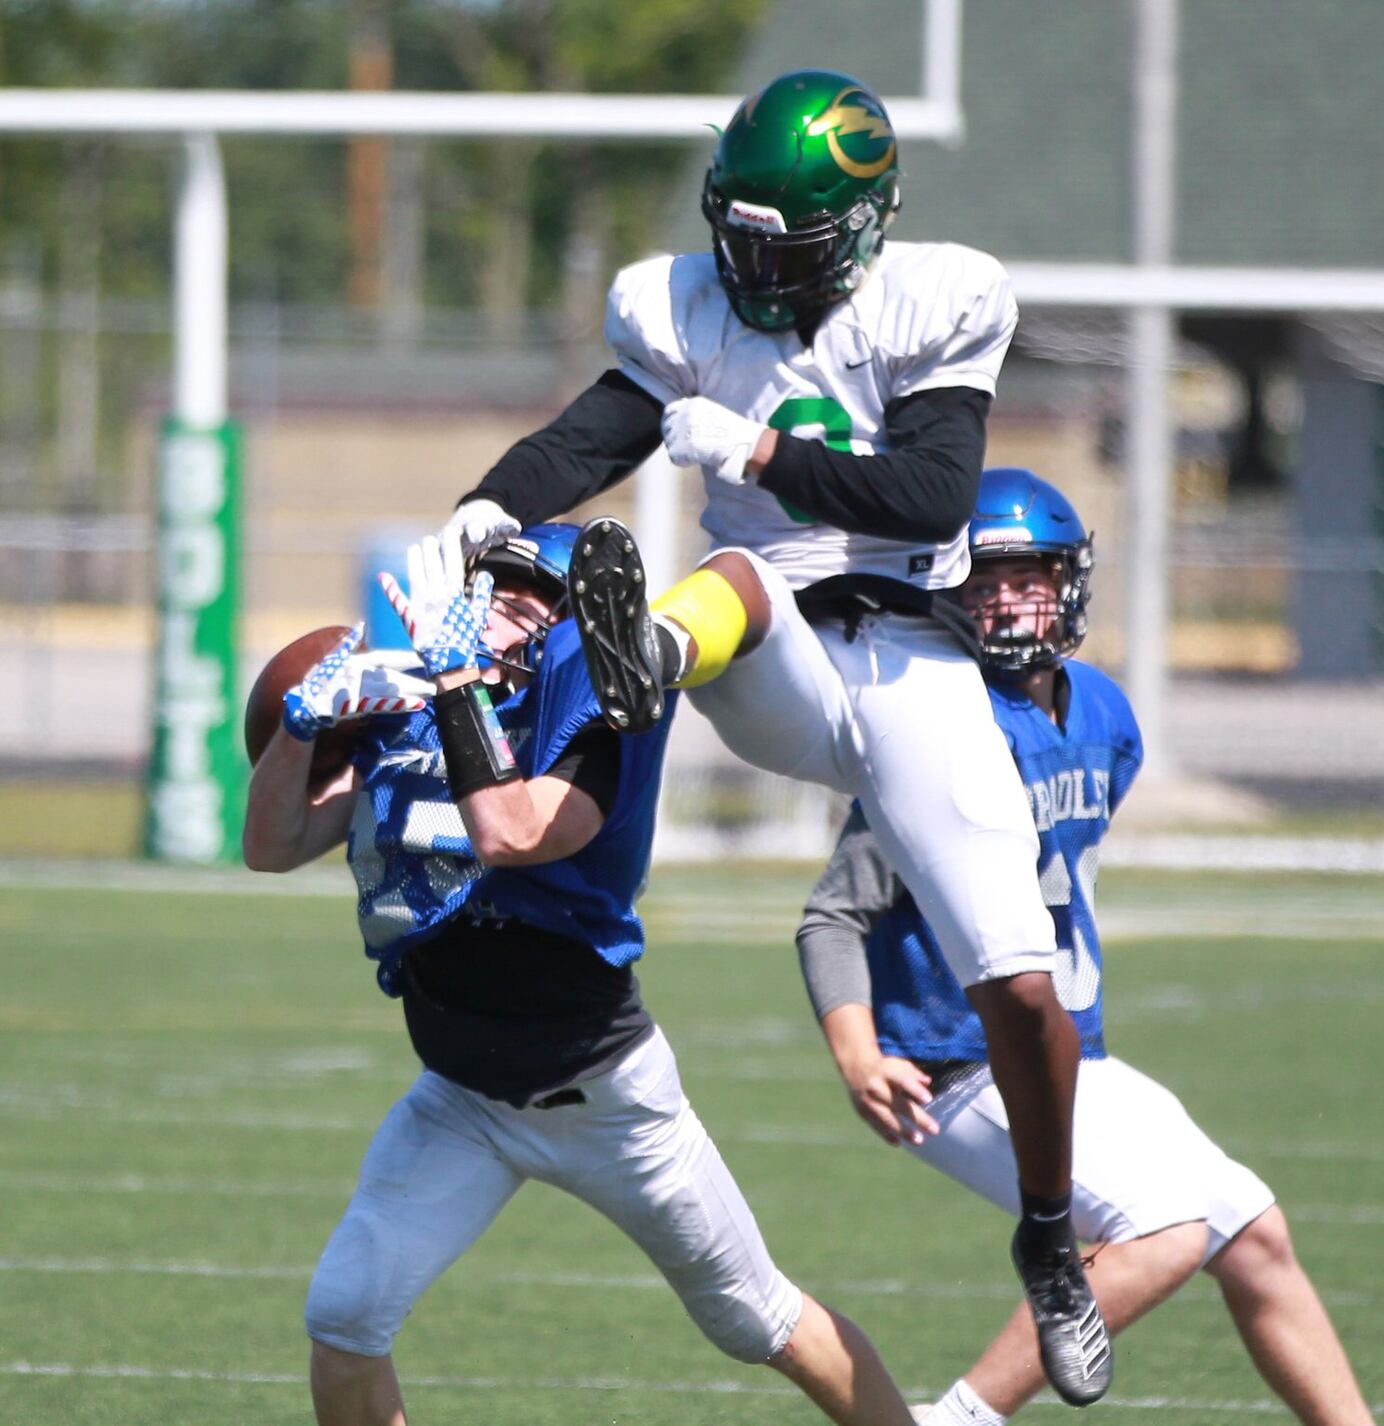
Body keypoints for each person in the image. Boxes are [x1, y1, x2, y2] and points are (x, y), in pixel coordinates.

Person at [439, 70, 1110, 1405]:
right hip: (764, 649)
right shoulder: (678, 305)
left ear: (860, 234)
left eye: (777, 246)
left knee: (1022, 988)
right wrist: (484, 507)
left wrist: (750, 449)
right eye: (731, 233)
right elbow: (586, 441)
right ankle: (646, 653)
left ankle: (1047, 1237)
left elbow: (932, 487)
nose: (743, 267)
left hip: (915, 655)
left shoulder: (938, 297)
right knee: (735, 583)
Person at [241, 525, 918, 1426]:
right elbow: (270, 845)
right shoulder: (414, 705)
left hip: (606, 1101)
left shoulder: (599, 724)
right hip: (463, 1098)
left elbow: (513, 832)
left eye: (539, 601)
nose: (509, 613)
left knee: (760, 1319)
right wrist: (300, 730)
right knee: (345, 1319)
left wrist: (452, 685)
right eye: (498, 590)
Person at [795, 468, 1378, 1426]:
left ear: (1071, 583)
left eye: (1032, 575)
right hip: (960, 1062)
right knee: (1165, 1231)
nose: (1011, 597)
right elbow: (832, 914)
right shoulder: (939, 735)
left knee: (1256, 1234)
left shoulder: (1102, 713)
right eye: (986, 579)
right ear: (946, 590)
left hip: (1068, 1045)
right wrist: (860, 1050)